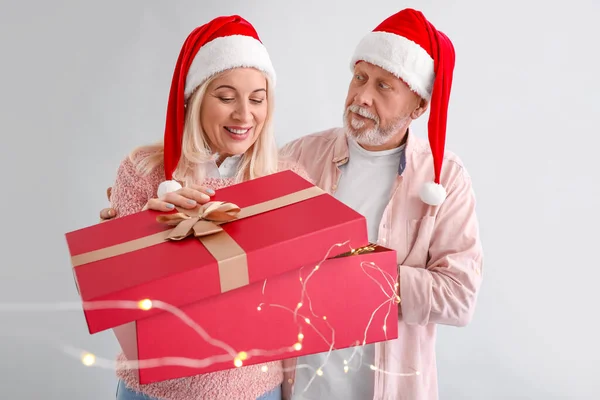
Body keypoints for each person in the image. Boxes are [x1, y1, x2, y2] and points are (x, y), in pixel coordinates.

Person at [101, 8, 484, 400]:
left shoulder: (444, 179)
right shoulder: (300, 159)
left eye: (384, 86)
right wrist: (134, 231)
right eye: (360, 77)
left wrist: (356, 274)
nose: (362, 96)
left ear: (419, 106)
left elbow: (460, 295)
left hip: (383, 386)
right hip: (291, 387)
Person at [105, 14, 307, 400]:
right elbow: (120, 302)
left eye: (257, 99)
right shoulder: (144, 172)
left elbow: (296, 302)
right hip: (154, 392)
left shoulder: (288, 181)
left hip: (256, 390)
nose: (244, 115)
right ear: (195, 98)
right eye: (226, 97)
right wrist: (146, 231)